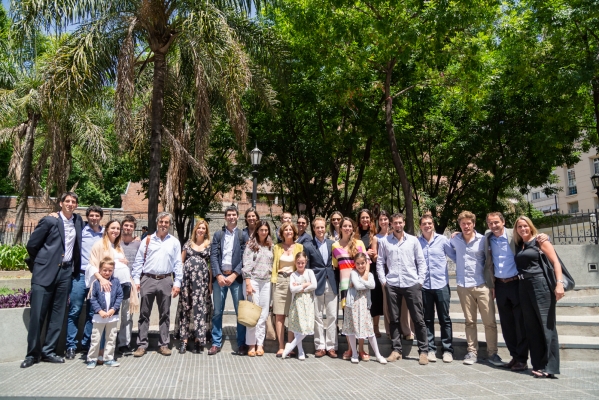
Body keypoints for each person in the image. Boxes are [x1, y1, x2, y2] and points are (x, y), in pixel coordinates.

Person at [22, 192, 84, 369]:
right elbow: (32, 245)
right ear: (60, 203)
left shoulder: (78, 221)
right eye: (67, 201)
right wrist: (43, 263)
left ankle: (49, 351)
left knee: (58, 315)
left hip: (65, 273)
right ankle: (32, 354)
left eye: (74, 202)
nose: (70, 204)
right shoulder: (49, 220)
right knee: (37, 316)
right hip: (44, 273)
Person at [485, 212, 548, 372]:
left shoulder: (514, 235)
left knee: (520, 323)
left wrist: (543, 236)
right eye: (490, 223)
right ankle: (514, 355)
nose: (493, 226)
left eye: (496, 222)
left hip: (516, 283)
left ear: (503, 222)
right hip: (499, 285)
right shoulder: (488, 238)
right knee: (507, 324)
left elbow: (530, 236)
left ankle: (522, 358)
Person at [450, 211, 503, 367]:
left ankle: (493, 353)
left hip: (482, 285)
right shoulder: (455, 240)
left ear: (473, 224)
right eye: (463, 224)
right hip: (463, 286)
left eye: (469, 223)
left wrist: (492, 284)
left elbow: (490, 261)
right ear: (459, 225)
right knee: (469, 322)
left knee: (490, 322)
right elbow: (450, 253)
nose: (466, 226)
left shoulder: (483, 240)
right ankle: (472, 352)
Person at [376, 213, 429, 365]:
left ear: (404, 223)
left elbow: (421, 261)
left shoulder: (413, 240)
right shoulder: (385, 241)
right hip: (392, 284)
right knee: (394, 318)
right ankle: (396, 350)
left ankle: (423, 351)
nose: (398, 225)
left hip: (412, 283)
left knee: (418, 319)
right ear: (391, 225)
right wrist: (383, 281)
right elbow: (380, 262)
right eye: (395, 223)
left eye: (400, 223)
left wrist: (420, 281)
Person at [514, 216, 563, 378]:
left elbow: (556, 262)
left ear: (530, 226)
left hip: (540, 285)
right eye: (519, 227)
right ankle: (539, 365)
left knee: (546, 327)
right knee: (532, 328)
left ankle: (550, 367)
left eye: (525, 226)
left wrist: (559, 283)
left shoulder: (540, 241)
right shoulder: (519, 244)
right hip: (523, 287)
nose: (523, 229)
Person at [132, 212, 183, 357]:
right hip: (148, 279)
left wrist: (177, 282)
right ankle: (142, 345)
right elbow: (138, 261)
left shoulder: (174, 242)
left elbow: (178, 263)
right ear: (157, 223)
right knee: (144, 314)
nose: (163, 224)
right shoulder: (147, 240)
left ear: (169, 224)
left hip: (166, 279)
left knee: (165, 314)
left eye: (166, 222)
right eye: (161, 221)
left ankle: (164, 344)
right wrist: (137, 280)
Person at [87, 219, 138, 364]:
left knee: (119, 318)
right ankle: (99, 352)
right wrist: (101, 279)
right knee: (103, 318)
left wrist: (124, 263)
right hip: (106, 286)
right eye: (113, 228)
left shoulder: (118, 245)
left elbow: (116, 263)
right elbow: (92, 265)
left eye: (117, 228)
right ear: (107, 229)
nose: (115, 231)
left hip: (123, 284)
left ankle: (116, 349)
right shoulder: (99, 245)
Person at [66, 205, 103, 361]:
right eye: (91, 215)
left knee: (92, 313)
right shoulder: (81, 232)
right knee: (74, 310)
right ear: (88, 217)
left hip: (97, 277)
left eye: (97, 215)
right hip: (80, 276)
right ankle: (71, 346)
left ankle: (87, 344)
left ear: (101, 217)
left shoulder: (104, 234)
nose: (94, 218)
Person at [209, 206, 247, 356]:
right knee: (217, 312)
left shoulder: (242, 235)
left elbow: (245, 257)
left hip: (236, 279)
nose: (231, 217)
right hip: (220, 279)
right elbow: (213, 256)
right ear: (225, 217)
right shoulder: (218, 235)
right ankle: (216, 343)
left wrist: (234, 274)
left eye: (234, 215)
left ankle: (241, 343)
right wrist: (218, 275)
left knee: (240, 313)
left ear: (237, 217)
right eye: (229, 215)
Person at [418, 213, 456, 363]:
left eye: (429, 223)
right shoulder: (416, 242)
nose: (427, 226)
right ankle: (431, 349)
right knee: (427, 319)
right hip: (425, 286)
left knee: (444, 319)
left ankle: (447, 350)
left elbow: (455, 255)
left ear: (433, 224)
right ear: (420, 226)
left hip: (441, 285)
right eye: (424, 224)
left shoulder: (443, 240)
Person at [332, 217, 369, 361]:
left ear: (353, 228)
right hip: (345, 286)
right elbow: (336, 266)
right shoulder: (335, 246)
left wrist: (365, 276)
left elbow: (367, 263)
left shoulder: (359, 243)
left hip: (359, 285)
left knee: (361, 317)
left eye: (349, 226)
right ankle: (350, 348)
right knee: (348, 319)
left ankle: (361, 349)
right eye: (344, 226)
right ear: (340, 228)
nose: (347, 228)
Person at [343, 253, 387, 364]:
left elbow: (373, 286)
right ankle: (354, 353)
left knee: (369, 330)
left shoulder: (370, 275)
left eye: (362, 263)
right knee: (352, 330)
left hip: (364, 306)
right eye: (358, 263)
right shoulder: (353, 273)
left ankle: (378, 354)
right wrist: (364, 283)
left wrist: (361, 281)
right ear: (355, 264)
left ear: (366, 263)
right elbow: (358, 287)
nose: (360, 266)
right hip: (352, 305)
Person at [304, 217, 338, 358]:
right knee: (317, 317)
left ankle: (331, 346)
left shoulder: (333, 244)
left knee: (332, 316)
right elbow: (307, 267)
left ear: (325, 228)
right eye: (317, 227)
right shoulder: (308, 245)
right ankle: (320, 346)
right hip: (316, 284)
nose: (320, 230)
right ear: (314, 229)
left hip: (331, 283)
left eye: (322, 227)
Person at [177, 219, 213, 354]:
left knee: (200, 309)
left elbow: (211, 267)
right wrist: (178, 281)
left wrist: (210, 283)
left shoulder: (209, 245)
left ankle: (199, 339)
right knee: (186, 308)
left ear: (206, 231)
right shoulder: (188, 243)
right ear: (195, 230)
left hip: (201, 283)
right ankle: (184, 340)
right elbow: (181, 262)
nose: (201, 230)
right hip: (187, 281)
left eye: (204, 228)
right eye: (199, 228)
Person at [272, 222, 304, 357]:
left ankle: (289, 346)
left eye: (290, 230)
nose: (288, 232)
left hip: (294, 281)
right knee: (279, 315)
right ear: (282, 233)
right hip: (280, 280)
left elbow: (301, 265)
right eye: (286, 230)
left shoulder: (299, 247)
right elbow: (274, 265)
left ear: (294, 232)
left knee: (292, 315)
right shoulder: (277, 247)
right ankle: (280, 346)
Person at [242, 220, 273, 357]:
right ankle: (251, 344)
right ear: (257, 231)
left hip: (266, 282)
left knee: (263, 314)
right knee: (252, 315)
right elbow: (246, 265)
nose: (264, 232)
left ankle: (260, 344)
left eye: (266, 230)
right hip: (253, 281)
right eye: (261, 230)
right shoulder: (251, 245)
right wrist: (248, 283)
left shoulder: (270, 246)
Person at [86, 257, 123, 369]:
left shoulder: (116, 282)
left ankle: (108, 358)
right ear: (100, 270)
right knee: (96, 338)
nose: (107, 272)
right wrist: (100, 311)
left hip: (112, 316)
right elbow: (93, 299)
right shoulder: (96, 283)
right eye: (105, 270)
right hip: (99, 316)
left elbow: (119, 296)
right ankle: (92, 358)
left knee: (111, 338)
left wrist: (113, 309)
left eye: (110, 270)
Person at [282, 252, 317, 360]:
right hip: (297, 303)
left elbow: (314, 285)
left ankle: (290, 345)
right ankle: (300, 350)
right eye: (298, 263)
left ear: (306, 262)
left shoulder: (310, 272)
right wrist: (306, 284)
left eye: (302, 263)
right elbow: (292, 289)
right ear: (295, 263)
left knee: (307, 327)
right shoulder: (293, 275)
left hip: (308, 303)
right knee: (299, 326)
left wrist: (301, 287)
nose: (300, 265)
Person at [355, 209, 383, 337]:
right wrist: (366, 252)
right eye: (362, 218)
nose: (365, 220)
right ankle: (363, 326)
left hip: (373, 270)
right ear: (359, 220)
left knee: (375, 298)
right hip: (359, 270)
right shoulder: (355, 235)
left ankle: (375, 327)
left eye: (367, 218)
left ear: (370, 219)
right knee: (362, 299)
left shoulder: (375, 234)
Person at [118, 215, 141, 355]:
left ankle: (124, 343)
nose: (128, 228)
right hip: (114, 282)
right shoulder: (114, 242)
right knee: (112, 314)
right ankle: (109, 342)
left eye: (131, 226)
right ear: (122, 226)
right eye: (126, 225)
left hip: (131, 283)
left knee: (127, 315)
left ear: (134, 228)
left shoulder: (138, 244)